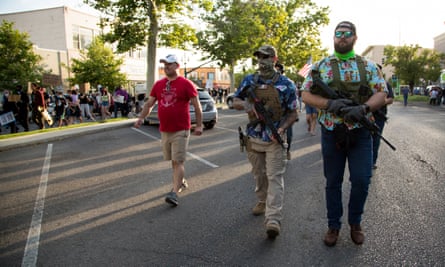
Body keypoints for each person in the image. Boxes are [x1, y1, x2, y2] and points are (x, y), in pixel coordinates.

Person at [301, 21, 388, 247]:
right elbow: (306, 95)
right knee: (333, 182)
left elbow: (382, 94)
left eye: (346, 34)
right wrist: (331, 104)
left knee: (361, 180)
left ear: (355, 38)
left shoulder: (369, 67)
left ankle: (355, 222)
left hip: (360, 132)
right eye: (338, 33)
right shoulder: (320, 67)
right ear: (333, 37)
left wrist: (363, 109)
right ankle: (333, 225)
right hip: (332, 132)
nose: (341, 37)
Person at [233, 45, 298, 239]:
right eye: (259, 57)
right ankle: (262, 201)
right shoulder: (249, 81)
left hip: (274, 139)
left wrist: (281, 128)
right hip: (253, 137)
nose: (262, 60)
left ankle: (273, 219)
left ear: (275, 59)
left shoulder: (287, 84)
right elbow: (235, 101)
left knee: (274, 177)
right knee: (258, 174)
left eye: (266, 57)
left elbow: (293, 113)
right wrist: (247, 105)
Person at [134, 54, 203, 207]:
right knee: (173, 162)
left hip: (181, 129)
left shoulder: (186, 84)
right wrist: (141, 118)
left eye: (169, 64)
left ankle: (174, 193)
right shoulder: (159, 84)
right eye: (164, 64)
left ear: (177, 66)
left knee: (178, 161)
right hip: (165, 130)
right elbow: (149, 104)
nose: (166, 67)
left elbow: (197, 107)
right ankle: (181, 182)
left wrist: (199, 125)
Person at [372, 66, 394, 169]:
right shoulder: (367, 83)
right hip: (366, 116)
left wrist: (379, 102)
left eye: (377, 70)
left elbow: (391, 99)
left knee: (376, 139)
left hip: (379, 116)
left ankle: (372, 162)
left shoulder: (386, 84)